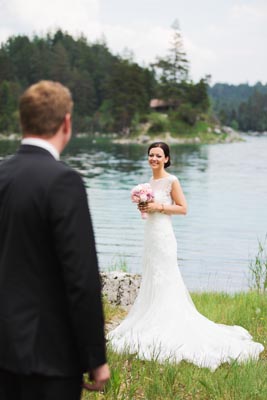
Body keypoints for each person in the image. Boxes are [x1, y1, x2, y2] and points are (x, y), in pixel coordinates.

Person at [107, 141, 264, 371]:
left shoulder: (172, 181)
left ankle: (166, 322)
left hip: (164, 236)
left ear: (167, 159)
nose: (154, 159)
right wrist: (144, 207)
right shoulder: (149, 183)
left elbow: (183, 208)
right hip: (150, 235)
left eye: (158, 155)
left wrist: (158, 206)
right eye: (151, 155)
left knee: (166, 277)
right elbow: (151, 209)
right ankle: (150, 315)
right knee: (152, 275)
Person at [0, 80, 110, 399]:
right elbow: (81, 278)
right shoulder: (63, 181)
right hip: (48, 357)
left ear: (23, 122)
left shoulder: (2, 177)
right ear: (66, 122)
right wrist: (95, 357)